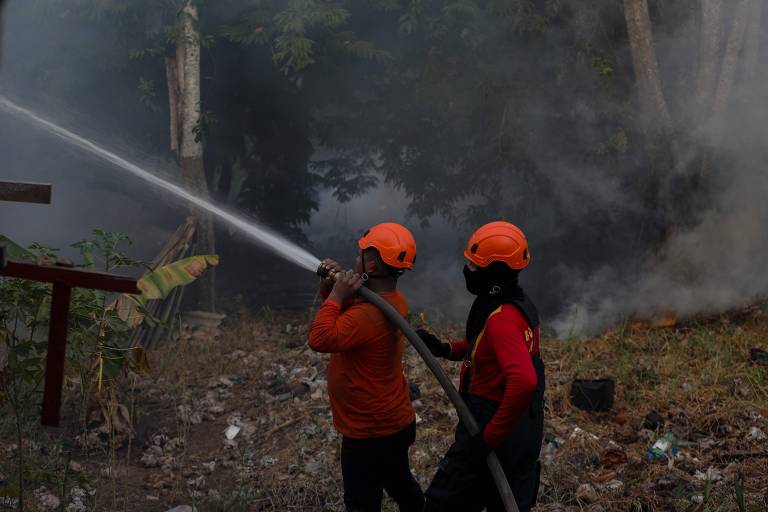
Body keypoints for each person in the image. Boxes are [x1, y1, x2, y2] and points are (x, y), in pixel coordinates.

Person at [418, 221, 545, 512]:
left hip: (493, 423)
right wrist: (445, 348)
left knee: (441, 504)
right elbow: (487, 349)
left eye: (475, 266)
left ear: (495, 273)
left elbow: (524, 380)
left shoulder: (502, 319)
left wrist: (489, 437)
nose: (468, 271)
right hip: (524, 426)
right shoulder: (514, 303)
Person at [308, 222, 424, 512]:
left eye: (360, 254)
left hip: (370, 432)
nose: (355, 258)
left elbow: (321, 338)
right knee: (398, 482)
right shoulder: (391, 301)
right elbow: (347, 322)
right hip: (392, 422)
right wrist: (330, 288)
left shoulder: (368, 315)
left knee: (361, 503)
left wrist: (336, 296)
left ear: (370, 262)